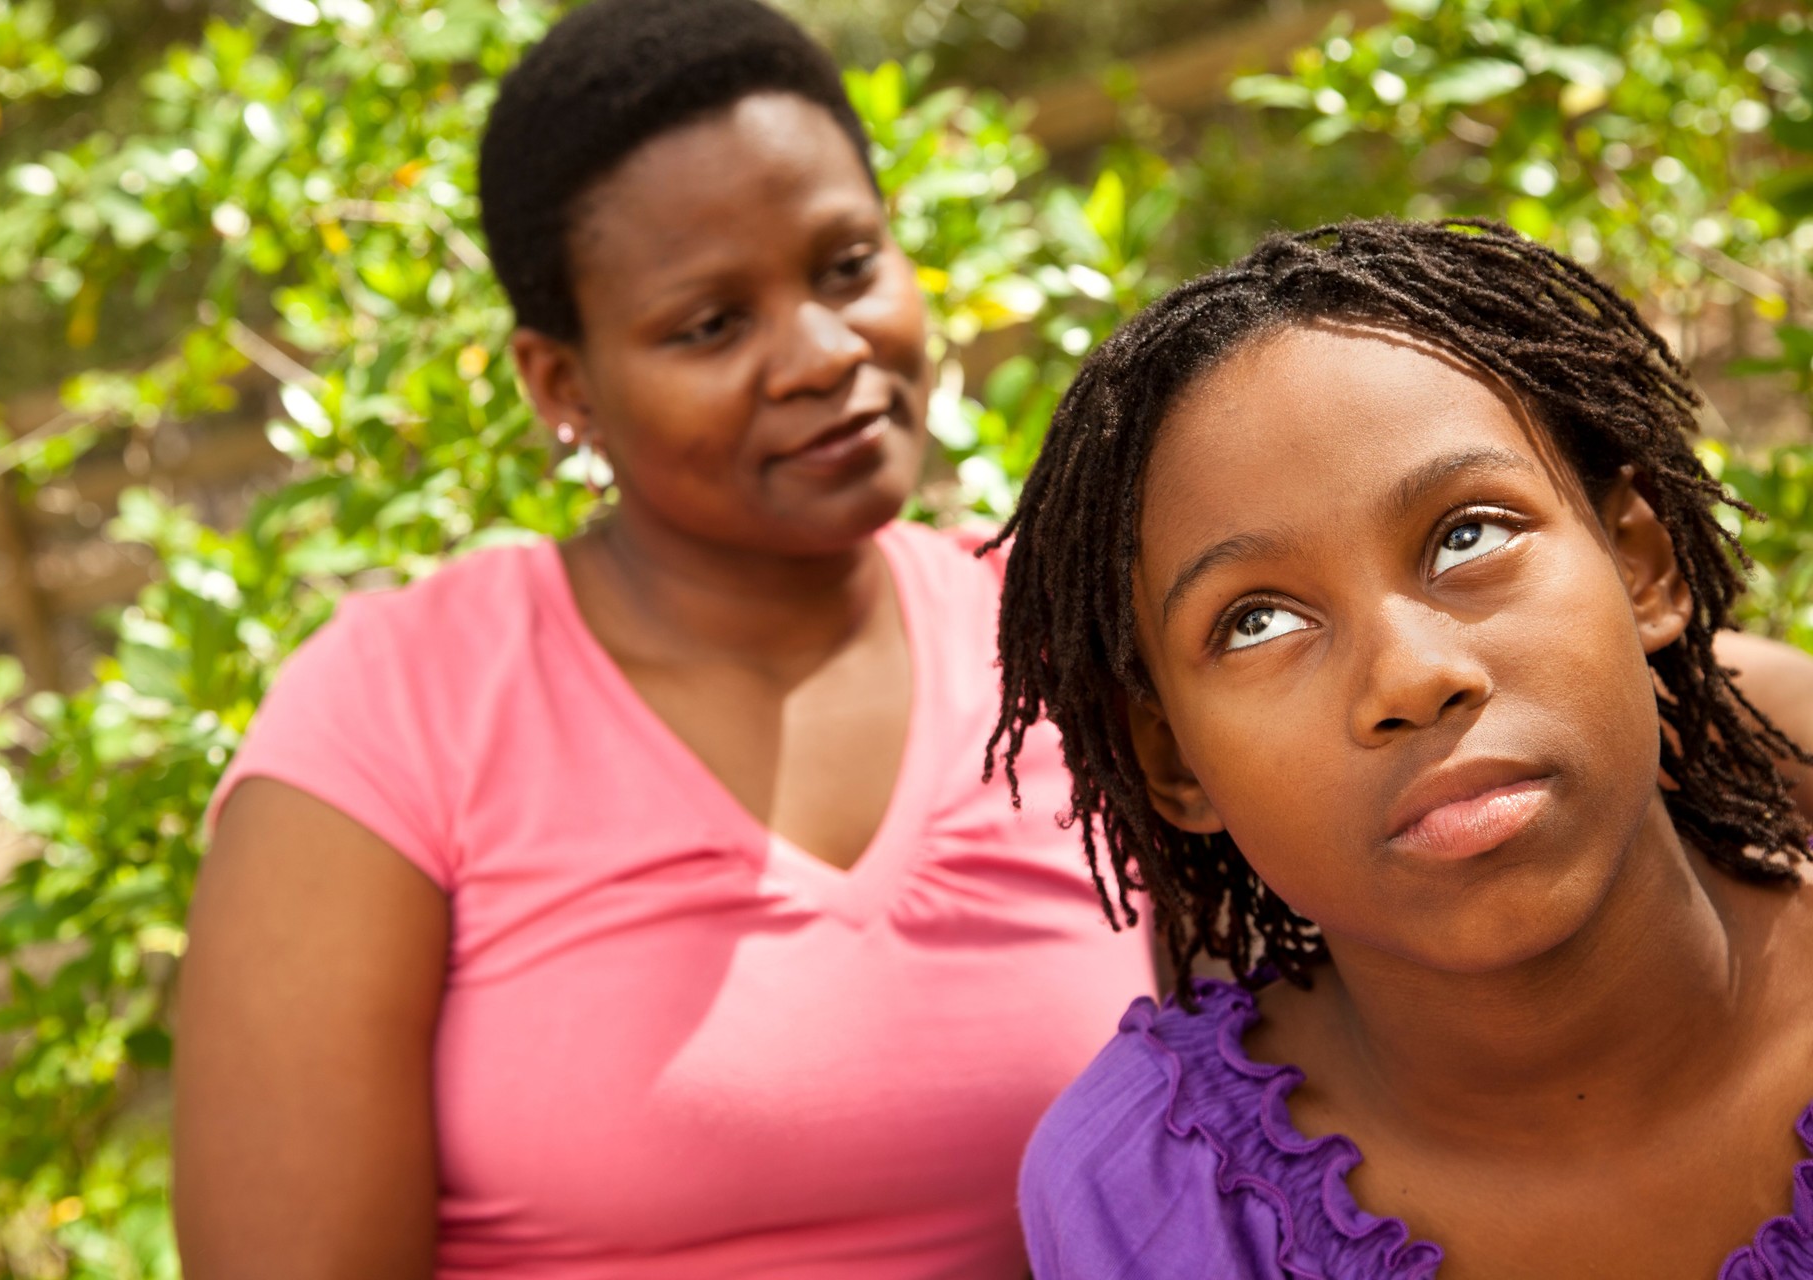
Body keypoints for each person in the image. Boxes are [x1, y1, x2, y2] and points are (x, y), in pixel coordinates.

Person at [169, 1, 1155, 1277]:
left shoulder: (1063, 631)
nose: (821, 351)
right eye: (711, 324)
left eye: (847, 265)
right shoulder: (397, 711)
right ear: (563, 387)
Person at [997, 217, 1813, 1279]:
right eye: (1258, 621)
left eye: (1467, 533)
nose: (1410, 674)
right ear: (1175, 762)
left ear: (1640, 566)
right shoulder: (1149, 1192)